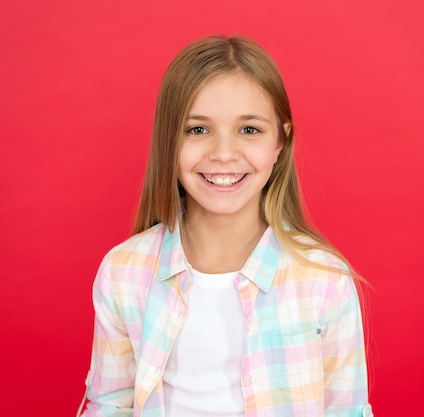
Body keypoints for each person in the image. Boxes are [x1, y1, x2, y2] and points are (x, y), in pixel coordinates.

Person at [79, 35, 373, 417]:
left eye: (249, 130)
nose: (222, 153)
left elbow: (348, 411)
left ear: (280, 141)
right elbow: (107, 407)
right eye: (197, 130)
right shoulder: (124, 273)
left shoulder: (324, 279)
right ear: (170, 141)